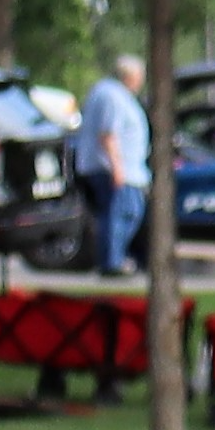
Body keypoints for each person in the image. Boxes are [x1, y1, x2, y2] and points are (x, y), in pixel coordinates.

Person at [74, 53, 150, 272]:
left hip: (126, 169)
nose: (141, 81)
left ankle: (114, 259)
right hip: (114, 168)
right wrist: (117, 168)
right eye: (139, 76)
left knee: (127, 212)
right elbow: (108, 134)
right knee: (122, 214)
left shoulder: (115, 94)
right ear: (130, 76)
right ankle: (112, 262)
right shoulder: (112, 96)